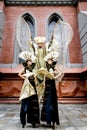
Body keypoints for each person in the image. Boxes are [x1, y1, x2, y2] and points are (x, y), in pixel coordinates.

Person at [18, 58, 40, 128]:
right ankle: (23, 121)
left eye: (31, 61)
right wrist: (25, 78)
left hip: (33, 85)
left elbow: (35, 77)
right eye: (29, 61)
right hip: (27, 86)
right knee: (26, 102)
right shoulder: (25, 68)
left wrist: (36, 83)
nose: (30, 62)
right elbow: (19, 74)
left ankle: (33, 121)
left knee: (34, 104)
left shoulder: (33, 69)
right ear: (27, 62)